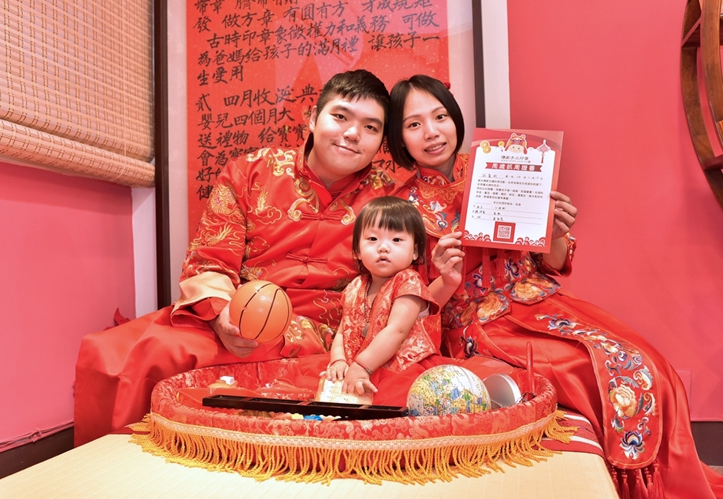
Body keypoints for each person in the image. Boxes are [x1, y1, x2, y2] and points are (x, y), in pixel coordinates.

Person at [387, 74, 723, 499]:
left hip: (541, 301)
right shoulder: (401, 210)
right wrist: (442, 277)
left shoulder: (502, 165)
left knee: (645, 363)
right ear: (399, 137)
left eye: (440, 117)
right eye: (414, 124)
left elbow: (555, 262)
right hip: (478, 324)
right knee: (592, 370)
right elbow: (410, 304)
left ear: (455, 118)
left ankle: (664, 487)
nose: (432, 132)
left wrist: (557, 230)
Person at [74, 69, 416, 446]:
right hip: (245, 319)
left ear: (381, 141)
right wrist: (223, 316)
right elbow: (210, 258)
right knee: (130, 353)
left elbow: (401, 285)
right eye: (340, 116)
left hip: (334, 336)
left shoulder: (391, 201)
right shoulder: (250, 172)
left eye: (370, 127)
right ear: (312, 117)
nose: (352, 134)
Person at [325, 196, 446, 402]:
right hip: (359, 367)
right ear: (357, 251)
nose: (383, 247)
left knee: (398, 401)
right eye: (373, 239)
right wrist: (339, 360)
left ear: (415, 251)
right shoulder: (356, 286)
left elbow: (396, 330)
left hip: (402, 369)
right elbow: (343, 330)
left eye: (396, 240)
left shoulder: (409, 283)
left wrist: (363, 366)